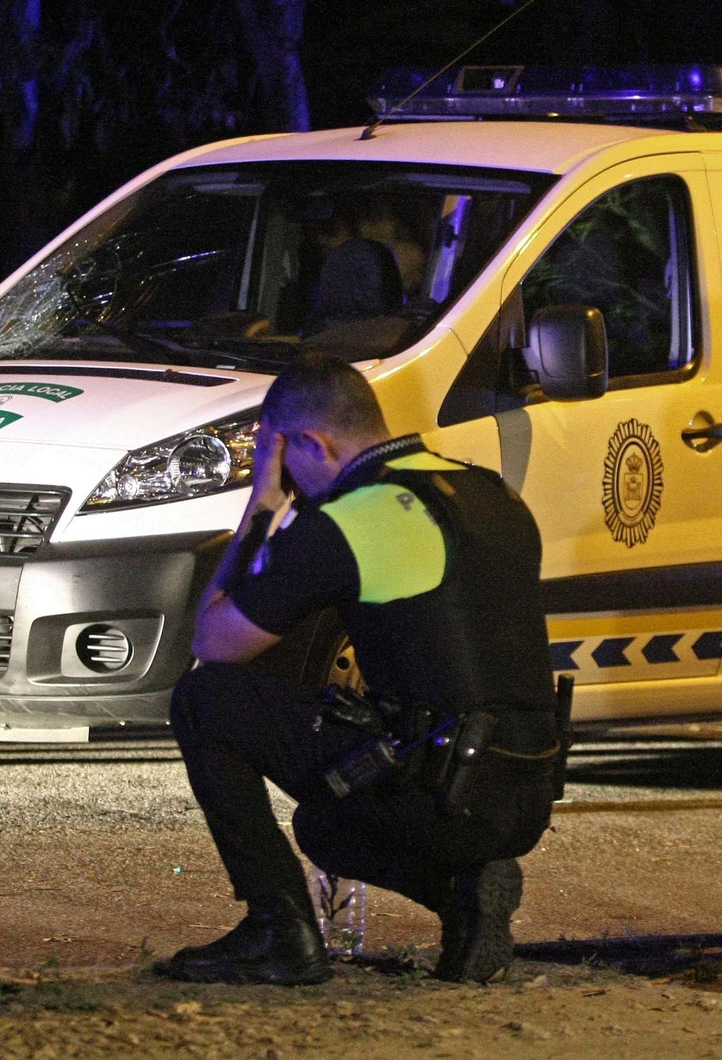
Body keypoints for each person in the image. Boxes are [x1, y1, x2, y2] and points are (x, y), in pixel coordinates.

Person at [157, 354, 560, 985]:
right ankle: (465, 895)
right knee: (325, 828)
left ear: (311, 444)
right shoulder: (493, 494)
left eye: (280, 458)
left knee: (204, 699)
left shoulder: (354, 518)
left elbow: (216, 642)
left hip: (438, 792)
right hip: (526, 788)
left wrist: (262, 504)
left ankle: (278, 930)